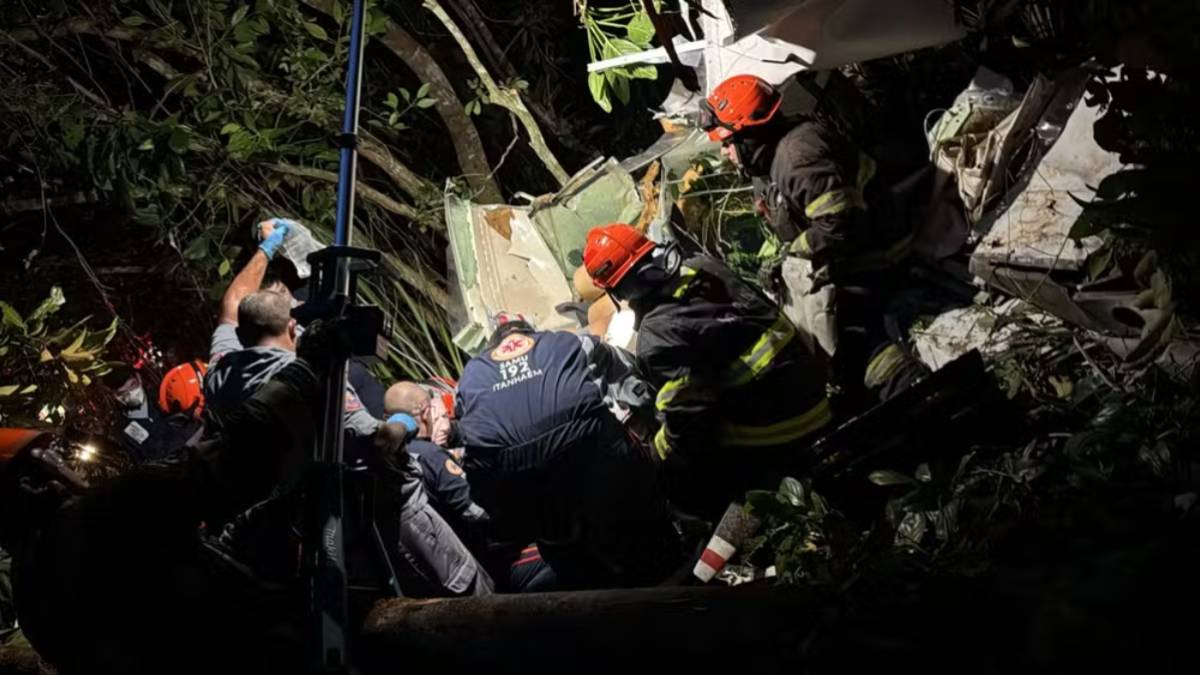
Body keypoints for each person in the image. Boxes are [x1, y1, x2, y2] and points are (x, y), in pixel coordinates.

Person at [206, 217, 492, 597]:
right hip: (370, 516)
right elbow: (376, 440)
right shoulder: (308, 379)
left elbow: (232, 305)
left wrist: (269, 247)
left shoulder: (221, 371)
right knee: (466, 592)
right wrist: (406, 423)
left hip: (296, 525)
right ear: (293, 330)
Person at [699, 73, 927, 410]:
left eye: (728, 141)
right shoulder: (774, 162)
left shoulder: (798, 156)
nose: (725, 152)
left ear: (750, 134)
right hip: (850, 252)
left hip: (879, 251)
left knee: (849, 334)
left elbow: (841, 223)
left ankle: (915, 390)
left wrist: (795, 255)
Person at [583, 224, 832, 519]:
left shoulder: (658, 336)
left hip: (779, 431)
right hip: (814, 390)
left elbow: (690, 427)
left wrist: (659, 456)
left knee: (685, 482)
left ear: (618, 290)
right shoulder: (703, 266)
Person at [455, 314, 679, 589]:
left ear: (493, 345)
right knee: (628, 473)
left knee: (550, 528)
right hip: (582, 442)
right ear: (531, 332)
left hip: (511, 468)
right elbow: (623, 368)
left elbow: (467, 429)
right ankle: (664, 549)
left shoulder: (471, 373)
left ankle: (577, 575)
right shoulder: (566, 340)